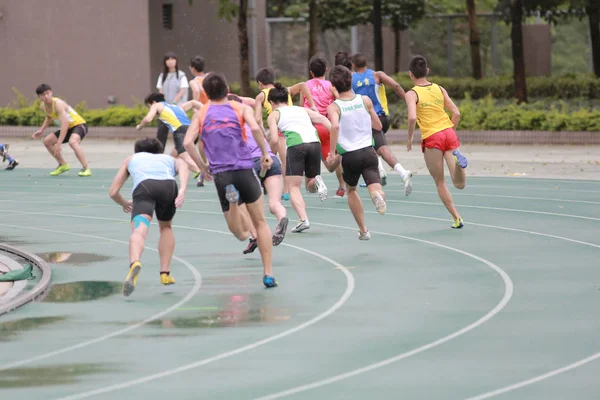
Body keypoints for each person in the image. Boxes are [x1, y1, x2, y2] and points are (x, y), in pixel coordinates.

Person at [183, 72, 278, 288]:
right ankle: (268, 273)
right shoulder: (240, 108)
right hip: (245, 169)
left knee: (241, 234)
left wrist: (202, 166)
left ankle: (233, 201)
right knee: (261, 223)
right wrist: (264, 153)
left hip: (221, 174)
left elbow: (188, 142)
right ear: (227, 88)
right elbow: (255, 128)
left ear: (206, 93)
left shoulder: (202, 113)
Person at [108, 137, 189, 296]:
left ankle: (135, 262)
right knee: (166, 227)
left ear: (137, 151)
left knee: (139, 230)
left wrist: (124, 203)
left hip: (145, 187)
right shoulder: (168, 158)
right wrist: (182, 190)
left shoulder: (132, 159)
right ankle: (165, 274)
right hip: (169, 186)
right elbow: (184, 165)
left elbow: (113, 192)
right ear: (159, 150)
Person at [405, 55, 467, 229]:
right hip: (448, 132)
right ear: (427, 71)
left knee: (440, 182)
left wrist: (410, 138)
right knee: (459, 184)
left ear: (410, 74)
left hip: (432, 137)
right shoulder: (439, 88)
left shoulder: (412, 93)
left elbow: (411, 117)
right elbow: (456, 113)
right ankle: (460, 164)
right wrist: (451, 133)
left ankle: (457, 218)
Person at [326, 65, 387, 240]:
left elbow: (335, 126)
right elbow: (378, 126)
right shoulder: (365, 100)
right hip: (368, 151)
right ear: (351, 80)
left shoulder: (334, 107)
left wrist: (332, 152)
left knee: (351, 190)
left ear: (333, 86)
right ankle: (376, 195)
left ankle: (363, 230)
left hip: (350, 156)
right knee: (375, 186)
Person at [228, 94, 288, 255]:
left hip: (250, 164)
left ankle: (255, 236)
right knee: (275, 204)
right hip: (271, 160)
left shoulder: (230, 126)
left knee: (239, 203)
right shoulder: (253, 123)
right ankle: (282, 218)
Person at [267, 83, 329, 233]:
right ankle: (317, 181)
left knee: (293, 186)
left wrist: (270, 156)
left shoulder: (274, 115)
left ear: (272, 102)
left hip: (297, 145)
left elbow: (274, 140)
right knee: (310, 185)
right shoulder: (302, 109)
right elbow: (325, 121)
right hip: (315, 143)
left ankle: (303, 219)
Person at [351, 53, 413, 195]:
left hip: (370, 119)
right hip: (384, 118)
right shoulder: (377, 75)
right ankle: (380, 170)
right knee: (370, 145)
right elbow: (396, 86)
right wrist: (408, 101)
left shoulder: (351, 79)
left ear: (353, 65)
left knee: (381, 149)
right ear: (366, 63)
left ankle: (403, 173)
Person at [254, 68, 317, 201]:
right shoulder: (285, 90)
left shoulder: (261, 95)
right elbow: (303, 85)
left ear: (260, 83)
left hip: (279, 128)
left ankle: (284, 189)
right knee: (282, 160)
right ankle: (285, 189)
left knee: (274, 159)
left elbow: (258, 118)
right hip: (292, 128)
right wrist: (311, 105)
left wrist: (262, 134)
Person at [300, 55, 346, 197]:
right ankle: (342, 184)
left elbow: (301, 108)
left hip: (311, 129)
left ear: (311, 72)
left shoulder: (305, 86)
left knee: (309, 181)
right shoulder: (331, 86)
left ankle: (316, 180)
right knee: (331, 164)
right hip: (327, 127)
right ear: (326, 70)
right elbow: (341, 103)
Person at [135, 92, 204, 186]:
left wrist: (140, 126)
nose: (150, 109)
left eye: (149, 106)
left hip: (180, 131)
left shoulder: (156, 105)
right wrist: (206, 110)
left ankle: (199, 171)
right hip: (192, 130)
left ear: (153, 102)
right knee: (173, 156)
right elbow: (193, 102)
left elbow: (148, 119)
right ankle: (165, 176)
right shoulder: (175, 107)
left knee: (183, 155)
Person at [32, 84, 92, 177]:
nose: (46, 96)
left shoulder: (58, 104)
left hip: (79, 125)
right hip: (68, 128)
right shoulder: (43, 106)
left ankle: (86, 168)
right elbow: (49, 117)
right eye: (43, 95)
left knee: (72, 142)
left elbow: (65, 124)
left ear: (51, 92)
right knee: (47, 141)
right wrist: (41, 130)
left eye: (47, 93)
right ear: (39, 97)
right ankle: (63, 165)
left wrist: (59, 144)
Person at [155, 52, 190, 153]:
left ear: (176, 61)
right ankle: (158, 153)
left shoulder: (181, 75)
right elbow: (160, 91)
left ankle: (181, 153)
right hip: (165, 109)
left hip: (177, 109)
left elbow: (182, 91)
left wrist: (174, 103)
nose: (170, 62)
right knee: (161, 132)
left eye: (172, 59)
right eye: (168, 59)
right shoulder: (162, 76)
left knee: (179, 132)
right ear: (165, 62)